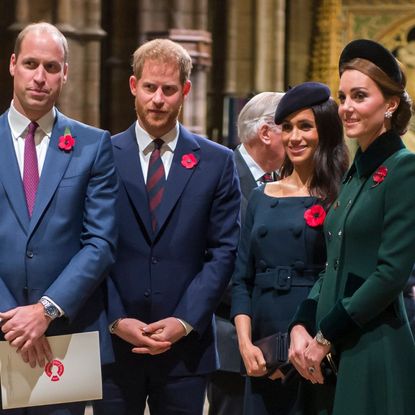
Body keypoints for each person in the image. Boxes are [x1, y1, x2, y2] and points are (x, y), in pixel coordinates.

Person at [93, 38, 241, 415]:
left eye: (169, 89)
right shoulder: (100, 155)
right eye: (150, 88)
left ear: (185, 91)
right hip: (114, 346)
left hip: (185, 351)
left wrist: (184, 320)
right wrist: (116, 319)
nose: (158, 99)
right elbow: (89, 244)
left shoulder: (216, 162)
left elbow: (224, 250)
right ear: (133, 86)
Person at [289, 39, 415, 415]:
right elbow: (334, 265)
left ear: (390, 104)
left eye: (359, 96)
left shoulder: (404, 170)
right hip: (331, 348)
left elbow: (390, 273)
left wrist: (327, 334)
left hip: (373, 348)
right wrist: (302, 323)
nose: (346, 108)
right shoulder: (355, 174)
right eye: (343, 97)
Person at [0, 22, 117, 415]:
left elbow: (100, 242)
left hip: (65, 336)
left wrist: (45, 310)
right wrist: (15, 321)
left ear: (65, 72)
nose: (40, 77)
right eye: (31, 63)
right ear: (12, 64)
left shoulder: (92, 145)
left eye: (51, 67)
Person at [231, 82, 349, 415]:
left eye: (305, 126)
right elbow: (242, 278)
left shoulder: (343, 195)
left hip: (317, 343)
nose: (294, 137)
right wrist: (245, 344)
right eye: (287, 128)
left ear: (324, 131)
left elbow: (343, 277)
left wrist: (318, 342)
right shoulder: (260, 196)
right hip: (262, 346)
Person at [207, 92, 285, 415]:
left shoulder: (287, 182)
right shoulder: (218, 175)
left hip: (281, 341)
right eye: (289, 127)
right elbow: (213, 261)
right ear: (266, 133)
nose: (297, 137)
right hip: (231, 338)